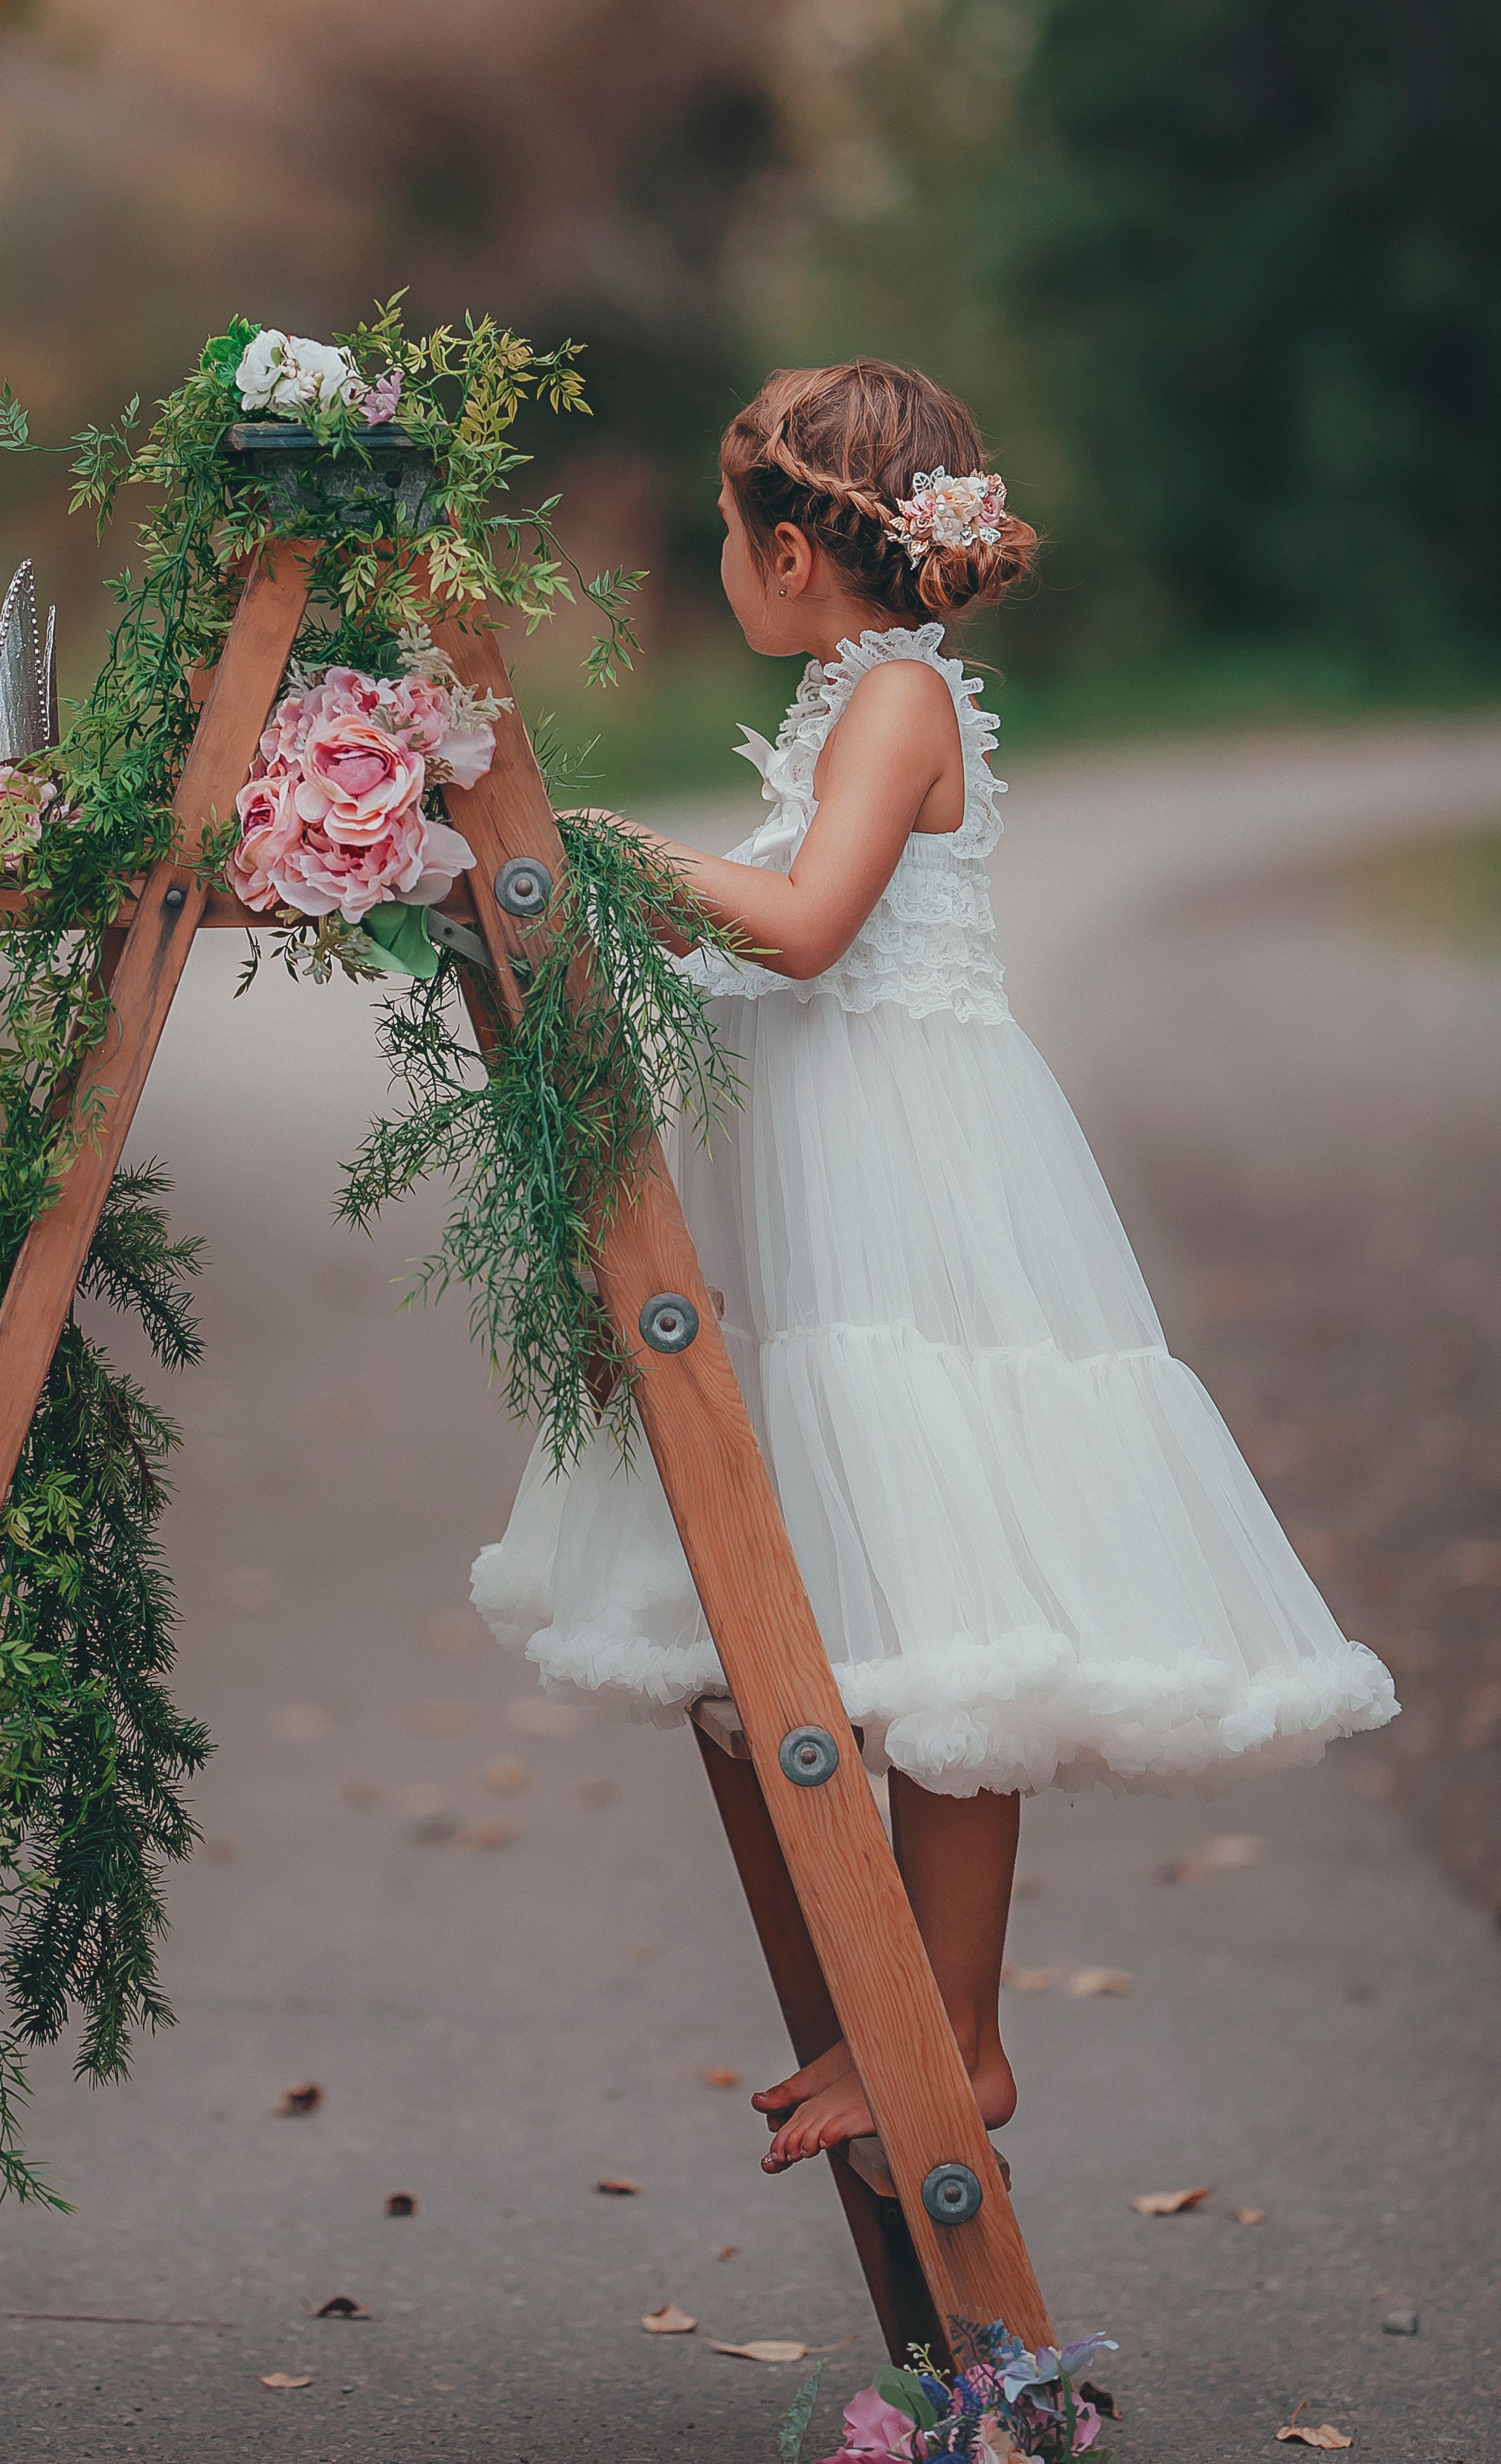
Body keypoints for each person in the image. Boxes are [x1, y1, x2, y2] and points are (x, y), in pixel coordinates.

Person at [472, 360, 1396, 2175]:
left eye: (728, 535)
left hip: (916, 1187)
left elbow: (811, 929)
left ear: (801, 552)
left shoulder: (896, 698)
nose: (714, 565)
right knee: (783, 1614)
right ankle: (876, 2011)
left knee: (947, 1598)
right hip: (818, 1195)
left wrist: (607, 851)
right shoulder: (848, 690)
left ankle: (955, 2036)